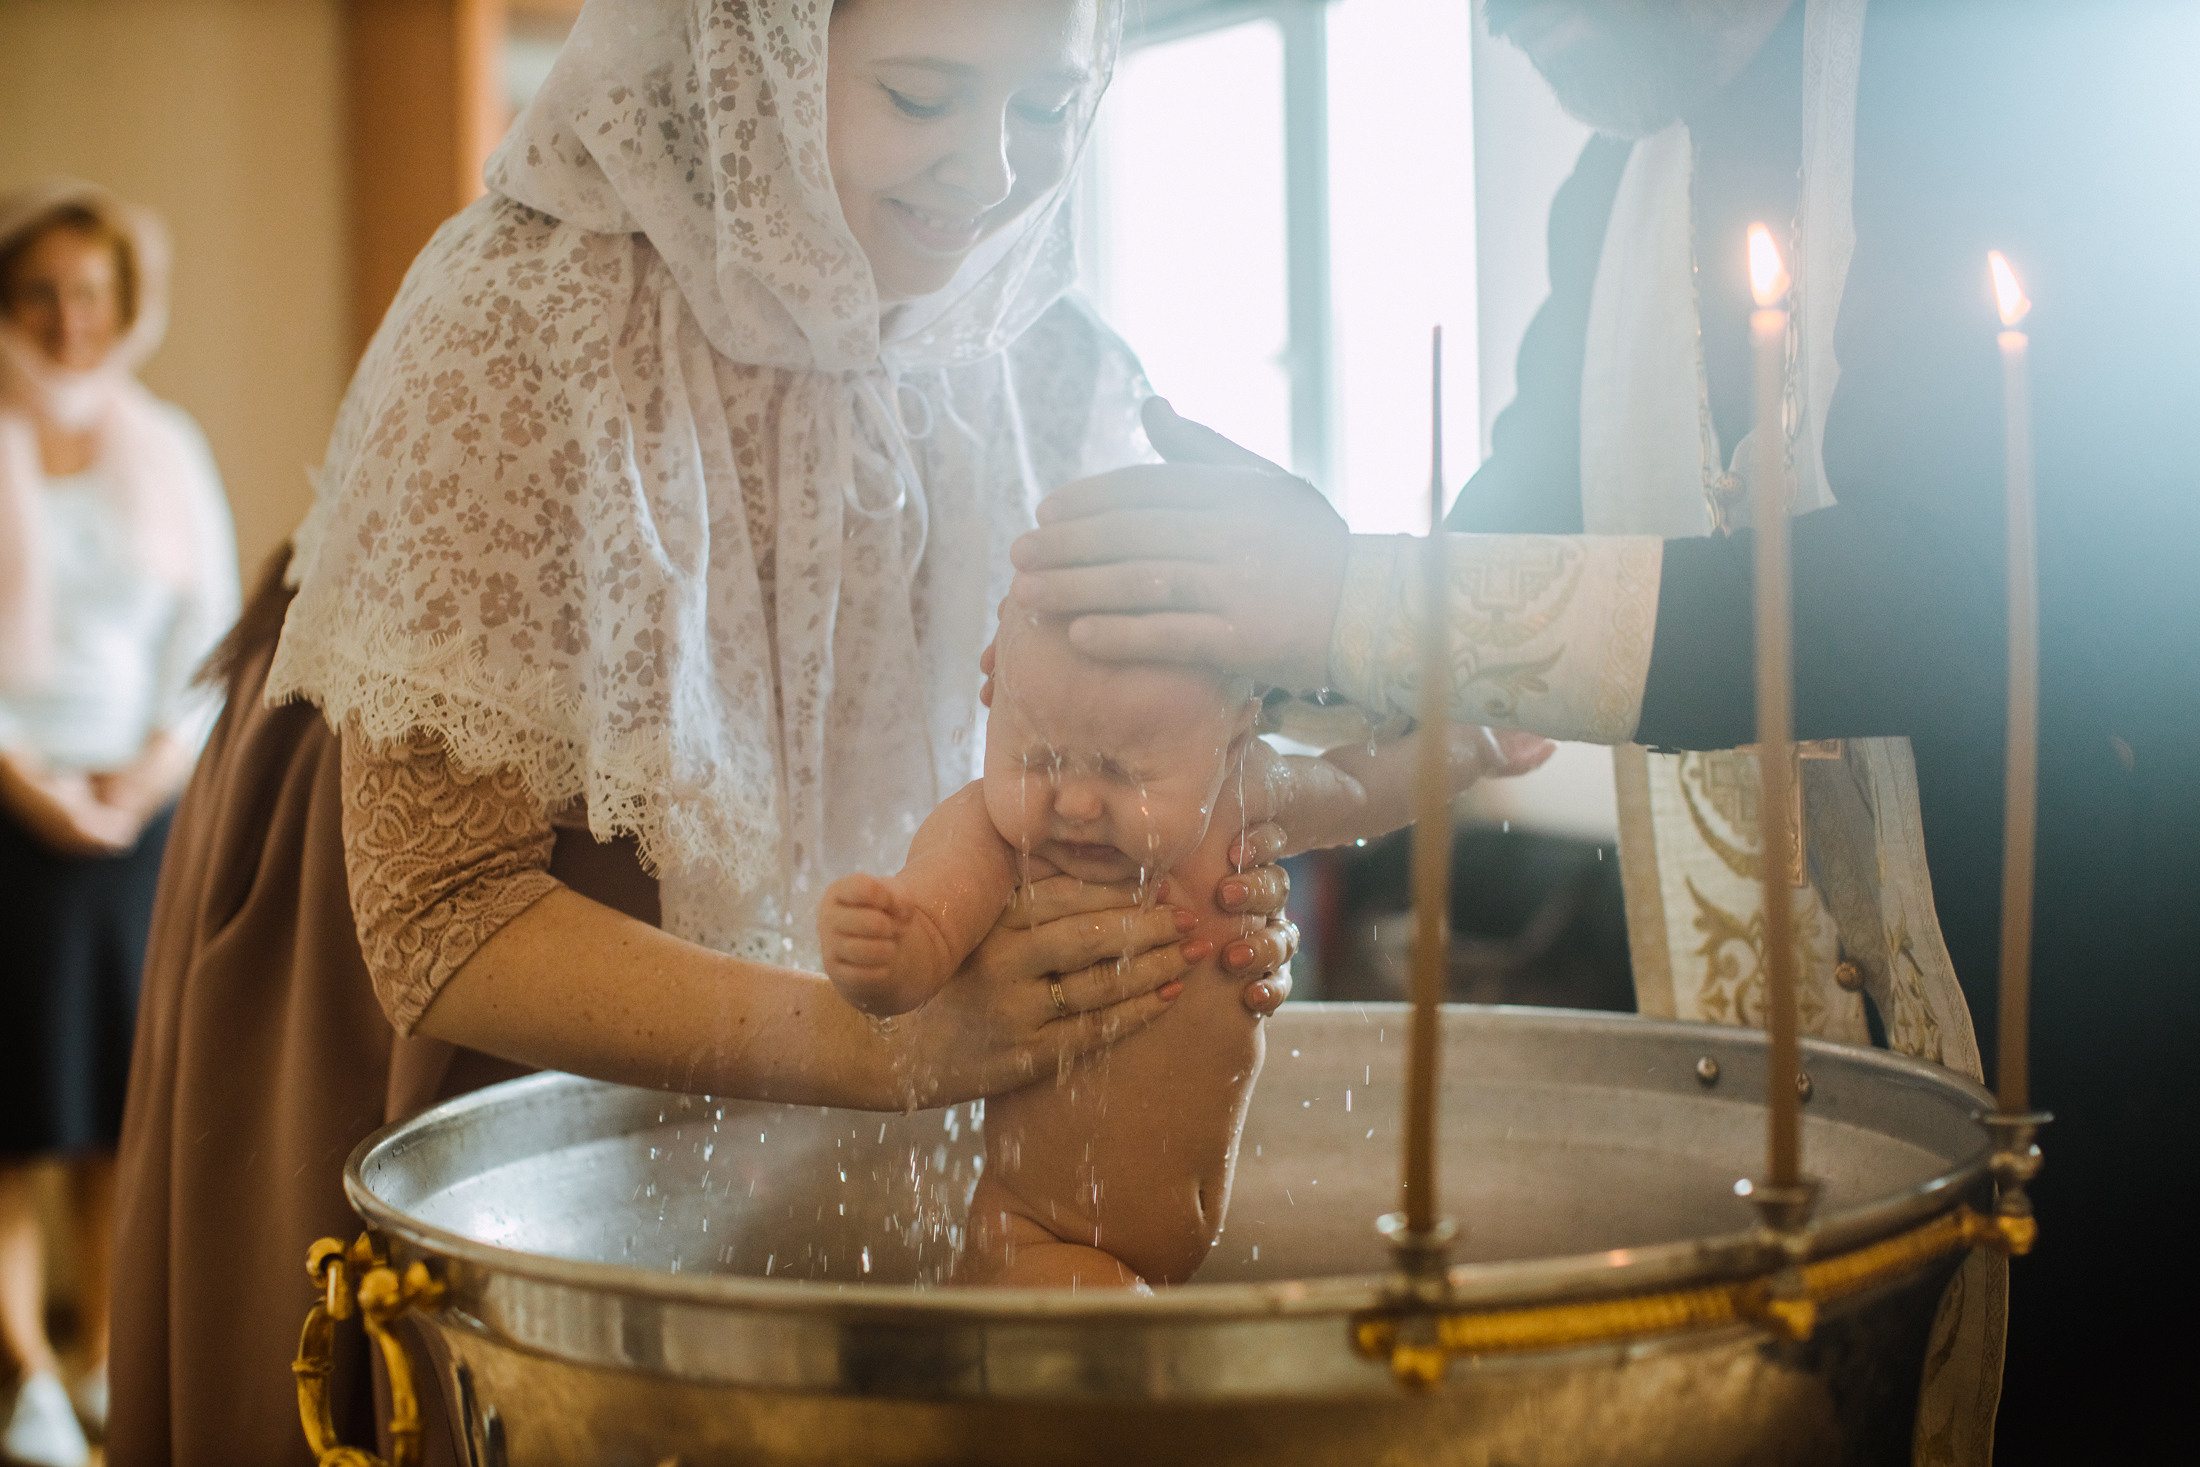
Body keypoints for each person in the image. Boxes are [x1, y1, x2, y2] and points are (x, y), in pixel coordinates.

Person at [109, 3, 1527, 1461]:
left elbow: (1131, 726)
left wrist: (1186, 887)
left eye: (1045, 111)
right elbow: (436, 919)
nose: (988, 175)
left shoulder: (1042, 337)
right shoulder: (523, 311)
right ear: (758, 55)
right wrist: (888, 1051)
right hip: (521, 939)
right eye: (923, 94)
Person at [1007, 0, 2199, 1459]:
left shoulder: (2009, 56)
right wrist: (1217, 688)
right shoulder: (1611, 203)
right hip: (1796, 1090)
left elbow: (1958, 588)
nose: (1497, 13)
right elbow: (1506, 555)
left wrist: (1357, 595)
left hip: (2122, 1044)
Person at [0, 180, 237, 1467]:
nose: (67, 317)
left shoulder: (167, 445)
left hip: (135, 811)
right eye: (39, 290)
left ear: (124, 304)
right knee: (12, 1111)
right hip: (8, 802)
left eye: (89, 291)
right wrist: (21, 774)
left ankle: (94, 1359)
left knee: (104, 1106)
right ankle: (21, 1372)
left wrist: (149, 775)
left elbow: (205, 636)